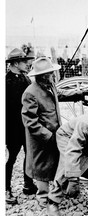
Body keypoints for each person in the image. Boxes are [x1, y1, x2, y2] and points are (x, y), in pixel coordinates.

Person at [21, 57, 88, 208]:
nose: (54, 75)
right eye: (51, 73)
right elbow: (29, 121)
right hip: (39, 138)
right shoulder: (30, 93)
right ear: (43, 75)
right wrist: (47, 135)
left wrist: (79, 93)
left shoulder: (50, 85)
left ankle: (53, 192)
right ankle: (42, 197)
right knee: (40, 166)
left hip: (54, 133)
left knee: (52, 162)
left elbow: (59, 94)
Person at [5, 48, 37, 204]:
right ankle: (5, 189)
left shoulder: (26, 79)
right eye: (24, 61)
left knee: (29, 155)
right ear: (15, 63)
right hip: (11, 128)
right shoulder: (5, 83)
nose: (27, 64)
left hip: (25, 126)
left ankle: (28, 184)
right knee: (10, 158)